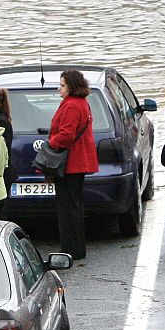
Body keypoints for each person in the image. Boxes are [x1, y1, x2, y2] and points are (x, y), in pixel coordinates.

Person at [48, 69, 98, 260]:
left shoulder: (71, 106)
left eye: (62, 85)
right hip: (78, 162)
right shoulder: (82, 103)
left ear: (71, 87)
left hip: (70, 163)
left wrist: (51, 142)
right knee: (74, 206)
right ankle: (76, 248)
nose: (59, 89)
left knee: (67, 208)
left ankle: (70, 249)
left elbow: (66, 136)